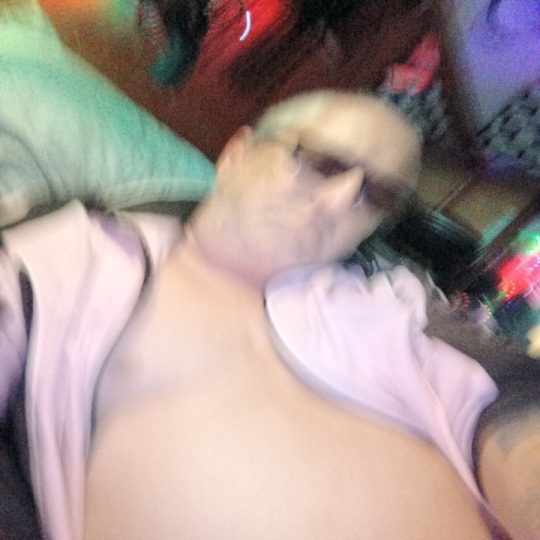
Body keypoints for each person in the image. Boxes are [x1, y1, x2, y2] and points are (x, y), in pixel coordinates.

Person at [0, 90, 537, 540]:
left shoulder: (392, 300)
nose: (339, 202)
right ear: (236, 154)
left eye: (373, 196)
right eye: (323, 163)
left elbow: (511, 402)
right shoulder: (74, 256)